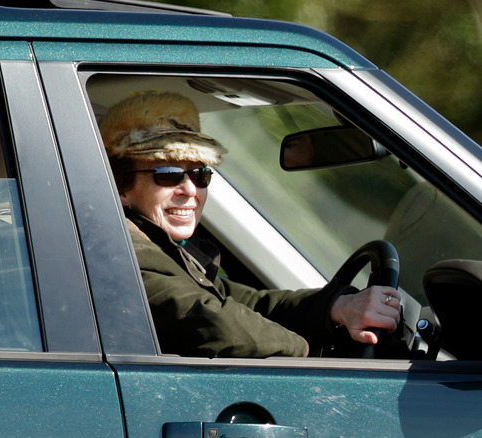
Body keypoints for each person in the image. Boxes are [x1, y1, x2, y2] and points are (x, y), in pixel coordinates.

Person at [99, 91, 401, 358]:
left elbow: (243, 303)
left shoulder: (162, 246)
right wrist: (307, 353)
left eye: (200, 174)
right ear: (122, 186)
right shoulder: (122, 249)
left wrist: (337, 307)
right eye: (168, 174)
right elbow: (208, 321)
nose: (190, 190)